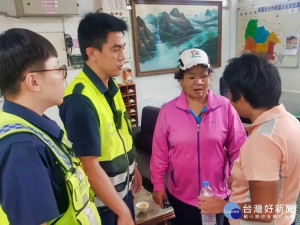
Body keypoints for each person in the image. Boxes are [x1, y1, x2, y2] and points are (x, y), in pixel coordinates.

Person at [0, 28, 101, 225]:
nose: (63, 77)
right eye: (57, 69)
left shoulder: (32, 128)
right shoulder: (22, 147)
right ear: (33, 81)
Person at [59, 13, 142, 225]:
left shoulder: (111, 86)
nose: (123, 56)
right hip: (102, 206)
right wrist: (122, 211)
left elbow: (120, 136)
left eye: (123, 47)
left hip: (122, 195)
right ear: (92, 53)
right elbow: (89, 166)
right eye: (116, 49)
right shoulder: (79, 99)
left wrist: (134, 169)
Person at [198, 53, 300, 225]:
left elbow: (265, 212)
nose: (228, 96)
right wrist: (240, 179)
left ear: (242, 97)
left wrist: (224, 206)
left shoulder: (263, 140)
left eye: (230, 90)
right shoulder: (290, 121)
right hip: (286, 216)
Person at [150, 48, 247, 225]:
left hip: (217, 194)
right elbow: (159, 153)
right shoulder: (168, 112)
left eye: (204, 75)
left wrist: (237, 173)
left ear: (210, 76)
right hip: (182, 195)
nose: (199, 82)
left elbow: (238, 147)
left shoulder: (224, 107)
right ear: (181, 80)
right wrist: (157, 184)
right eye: (192, 76)